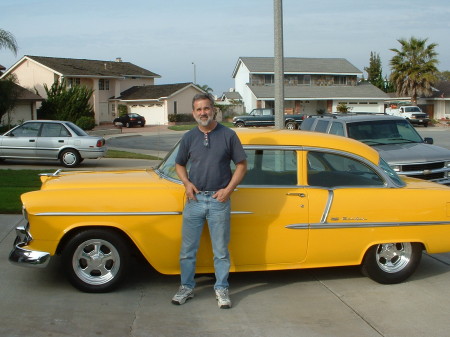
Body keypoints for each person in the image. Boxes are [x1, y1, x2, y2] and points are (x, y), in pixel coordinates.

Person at [171, 93, 247, 309]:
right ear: (193, 112)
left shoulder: (228, 135)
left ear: (213, 109)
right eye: (198, 109)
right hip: (194, 200)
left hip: (218, 201)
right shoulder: (188, 137)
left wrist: (228, 190)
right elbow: (179, 164)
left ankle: (221, 288)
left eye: (206, 108)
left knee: (221, 251)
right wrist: (186, 183)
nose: (203, 112)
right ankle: (186, 287)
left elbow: (242, 165)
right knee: (187, 250)